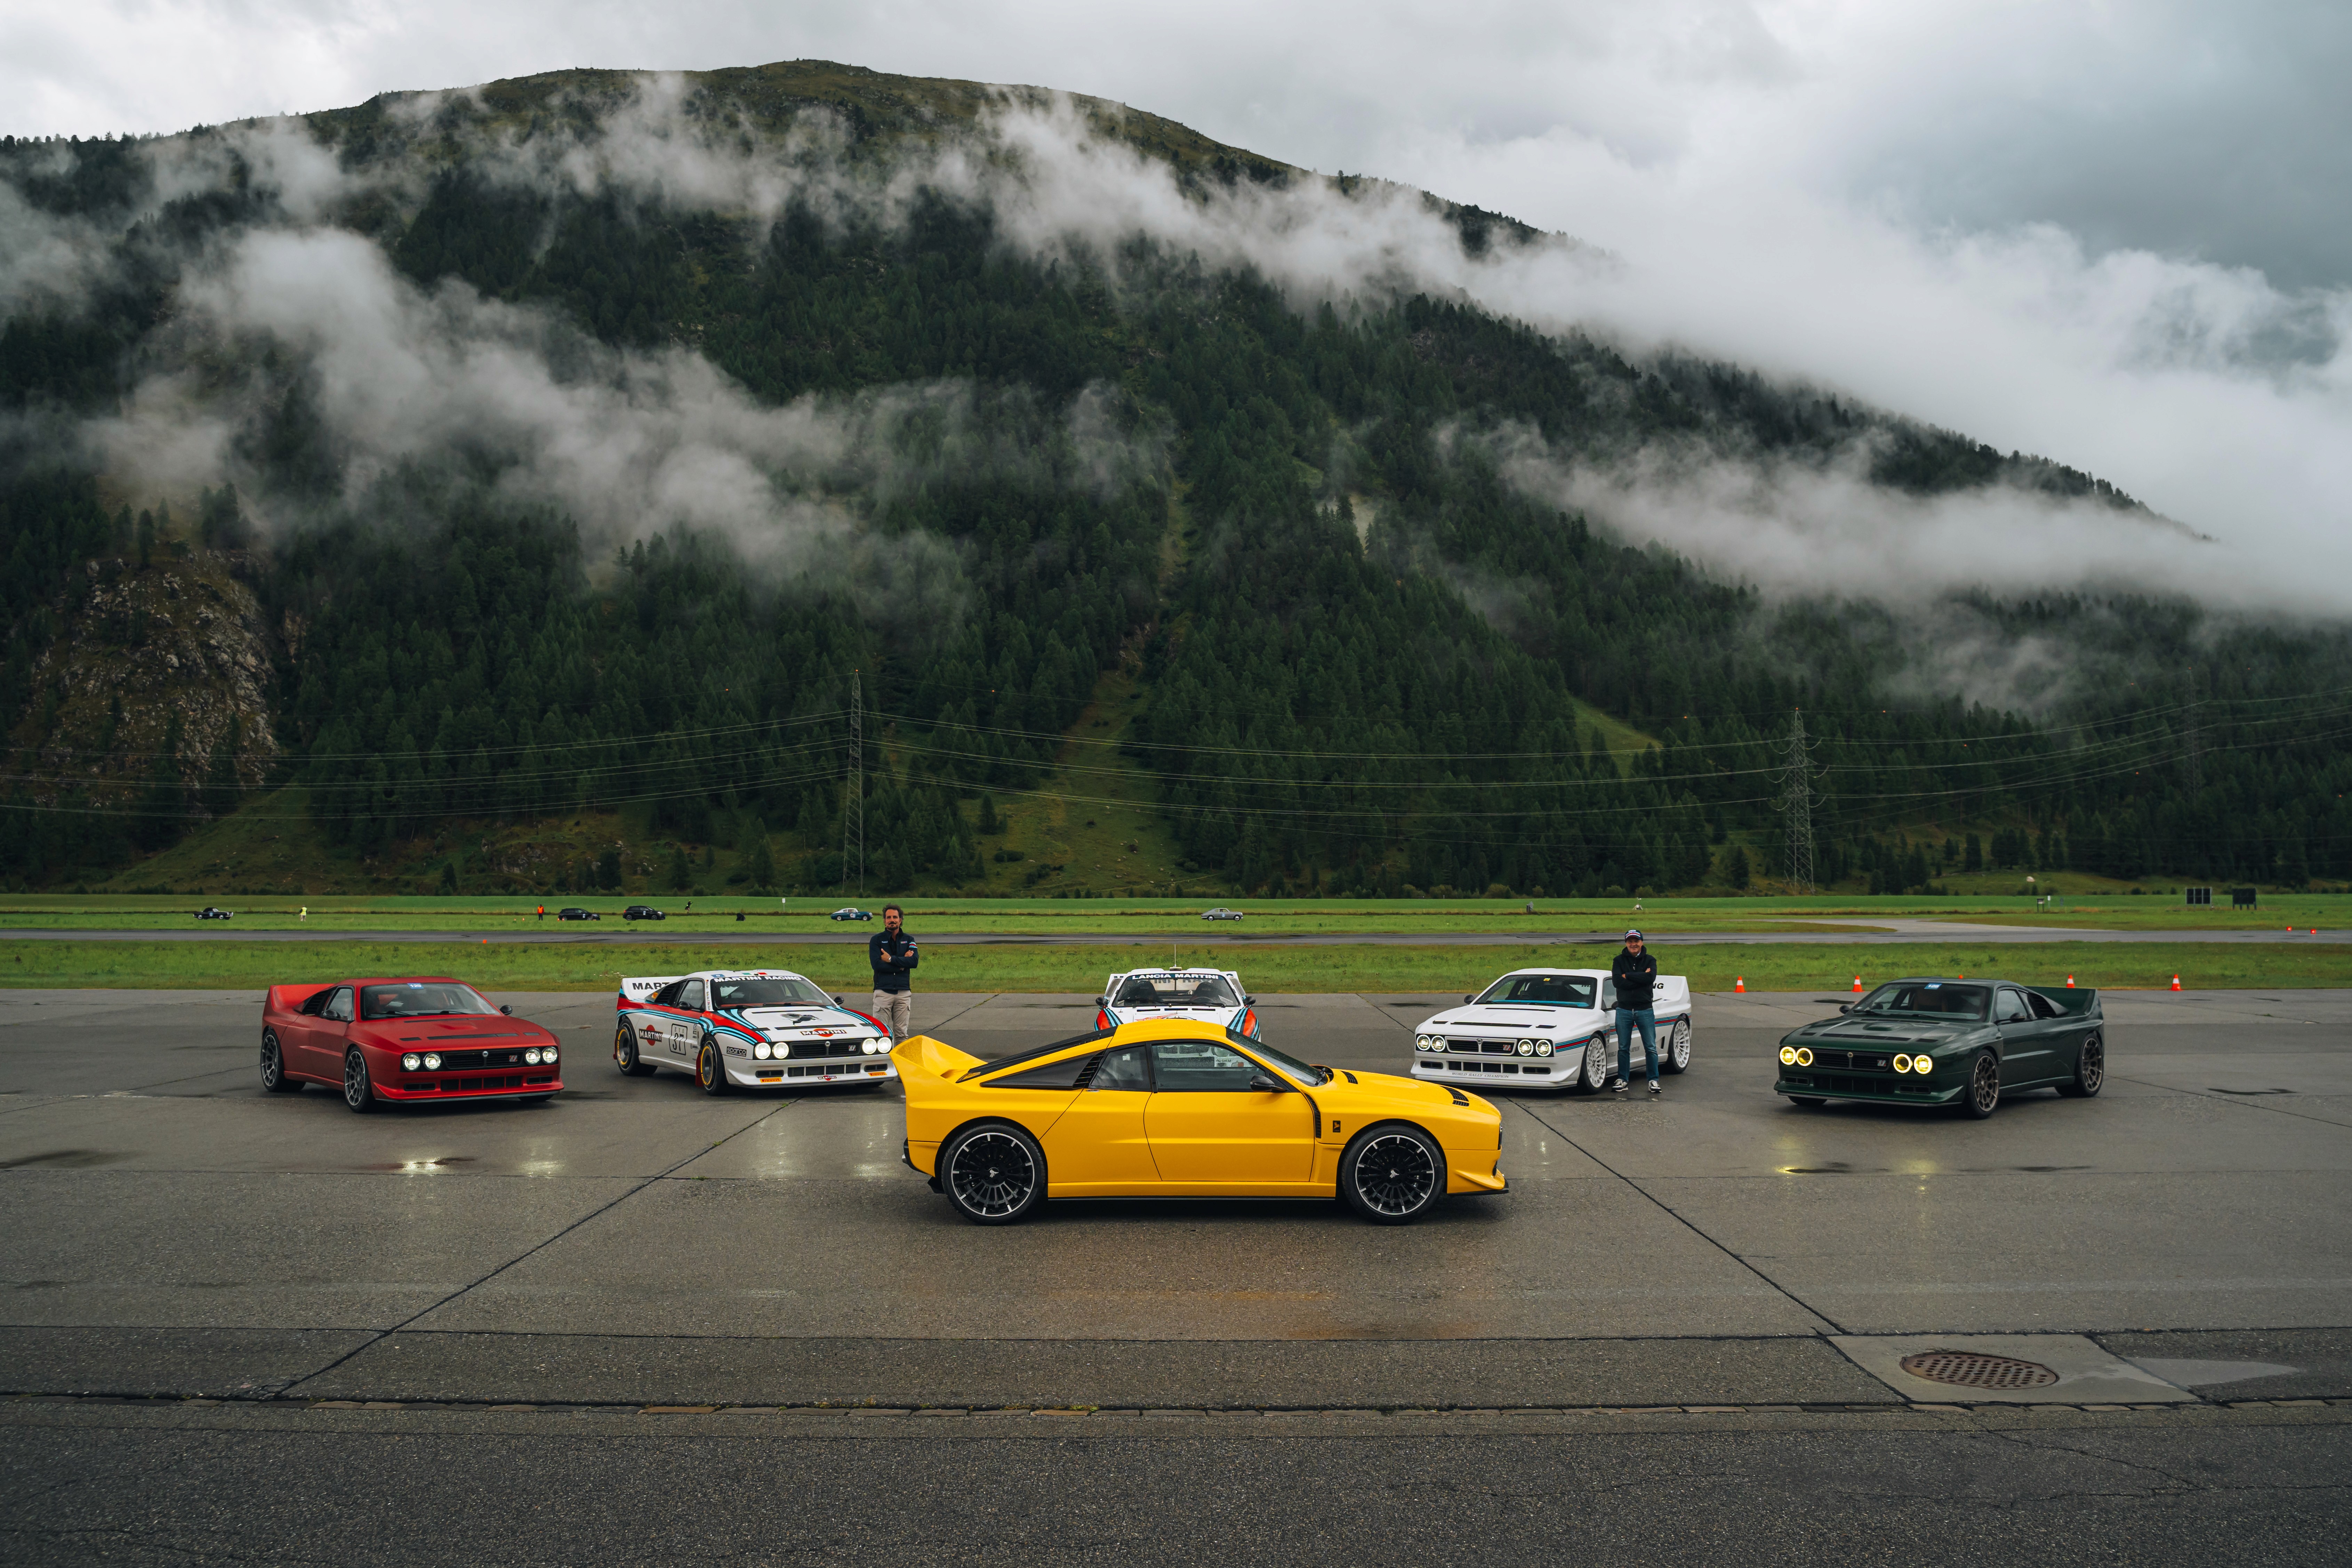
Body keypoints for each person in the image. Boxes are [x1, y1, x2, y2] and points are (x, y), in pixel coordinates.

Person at [1611, 927, 1661, 1095]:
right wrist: (1640, 977)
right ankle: (1623, 1079)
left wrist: (1629, 976)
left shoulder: (1650, 960)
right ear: (1626, 943)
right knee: (1624, 1047)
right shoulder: (1618, 960)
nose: (1633, 944)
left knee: (1651, 1047)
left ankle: (1653, 1080)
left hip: (1645, 1010)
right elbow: (1617, 982)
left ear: (1642, 942)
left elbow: (1650, 978)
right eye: (1630, 941)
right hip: (1624, 1010)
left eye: (1636, 941)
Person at [868, 903, 917, 1040]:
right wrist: (902, 965)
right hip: (883, 992)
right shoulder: (876, 940)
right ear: (884, 921)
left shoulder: (909, 940)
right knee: (881, 1035)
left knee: (902, 1034)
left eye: (895, 917)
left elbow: (914, 962)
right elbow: (877, 965)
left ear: (901, 920)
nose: (892, 920)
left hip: (903, 993)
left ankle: (900, 1063)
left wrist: (890, 959)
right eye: (889, 917)